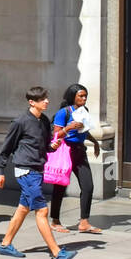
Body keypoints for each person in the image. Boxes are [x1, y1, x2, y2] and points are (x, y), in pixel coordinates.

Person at [0, 86, 78, 259]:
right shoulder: (20, 122)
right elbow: (6, 149)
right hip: (26, 170)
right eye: (42, 99)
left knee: (23, 208)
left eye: (46, 98)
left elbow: (45, 145)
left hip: (38, 169)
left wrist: (51, 148)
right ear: (32, 102)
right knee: (42, 210)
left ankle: (5, 244)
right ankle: (57, 253)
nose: (46, 101)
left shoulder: (44, 121)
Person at [48, 82, 102, 234]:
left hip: (80, 151)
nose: (84, 99)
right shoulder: (63, 113)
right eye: (81, 96)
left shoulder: (84, 111)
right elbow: (56, 135)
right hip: (65, 151)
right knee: (60, 186)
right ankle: (55, 220)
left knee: (88, 186)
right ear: (73, 97)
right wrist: (69, 128)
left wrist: (94, 142)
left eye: (85, 96)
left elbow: (84, 130)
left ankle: (84, 222)